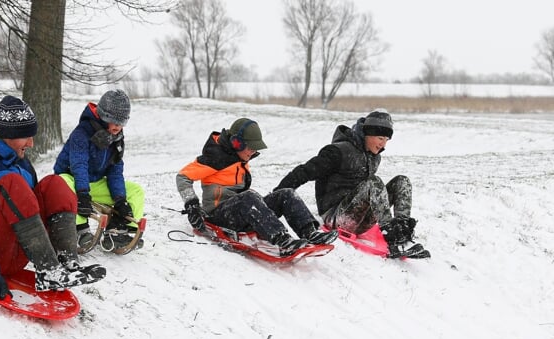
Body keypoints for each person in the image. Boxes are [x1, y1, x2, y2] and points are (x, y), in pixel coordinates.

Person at [0, 95, 105, 299]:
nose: (32, 143)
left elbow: (31, 211)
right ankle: (50, 269)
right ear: (8, 133)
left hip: (17, 253)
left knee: (55, 184)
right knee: (11, 184)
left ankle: (63, 265)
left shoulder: (21, 163)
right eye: (26, 136)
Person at [274, 110, 430, 258]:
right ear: (369, 134)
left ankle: (402, 234)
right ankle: (391, 235)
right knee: (374, 183)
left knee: (402, 181)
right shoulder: (338, 152)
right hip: (336, 216)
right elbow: (304, 171)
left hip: (359, 217)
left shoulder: (374, 157)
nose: (384, 145)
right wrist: (277, 195)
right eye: (381, 139)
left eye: (386, 140)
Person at [176, 118, 337, 256]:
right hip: (219, 215)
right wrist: (192, 205)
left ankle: (310, 232)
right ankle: (281, 239)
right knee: (249, 197)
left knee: (286, 194)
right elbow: (183, 176)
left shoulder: (238, 156)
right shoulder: (214, 157)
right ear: (236, 143)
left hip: (242, 210)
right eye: (251, 148)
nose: (253, 153)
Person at [54, 89, 145, 251]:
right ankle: (80, 229)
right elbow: (79, 165)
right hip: (73, 180)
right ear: (104, 117)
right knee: (62, 182)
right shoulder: (82, 133)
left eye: (121, 122)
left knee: (136, 191)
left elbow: (115, 171)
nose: (118, 126)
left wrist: (120, 199)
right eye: (114, 121)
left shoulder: (117, 139)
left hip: (95, 182)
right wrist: (82, 193)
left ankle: (119, 229)